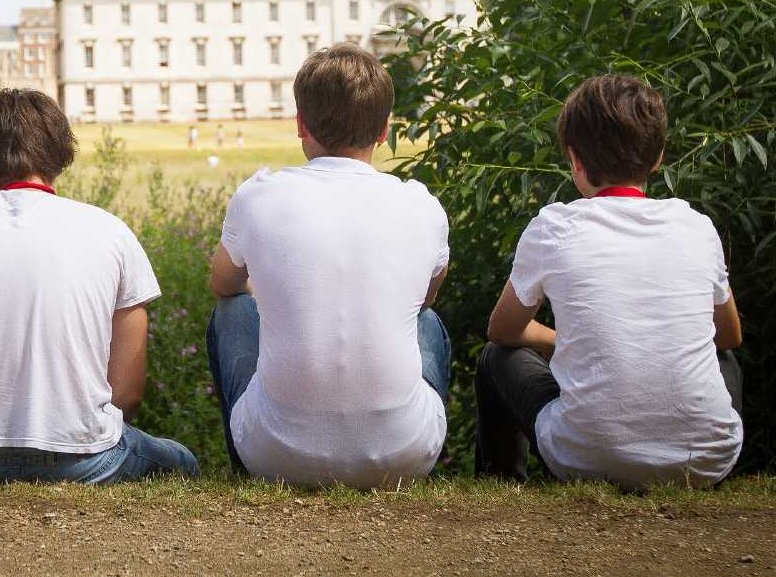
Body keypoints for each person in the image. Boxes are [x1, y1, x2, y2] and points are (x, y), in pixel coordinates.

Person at [0, 88, 199, 483]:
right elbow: (128, 390)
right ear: (59, 154)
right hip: (86, 462)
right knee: (181, 461)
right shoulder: (110, 229)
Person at [474, 73, 744, 489]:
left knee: (497, 357)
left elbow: (503, 331)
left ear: (574, 158)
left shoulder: (554, 227)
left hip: (587, 457)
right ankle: (710, 459)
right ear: (658, 158)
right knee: (723, 361)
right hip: (703, 464)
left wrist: (560, 342)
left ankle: (502, 480)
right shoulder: (696, 226)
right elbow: (728, 337)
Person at [204, 44, 451, 488]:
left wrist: (277, 288)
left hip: (277, 455)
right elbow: (424, 300)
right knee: (427, 320)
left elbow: (222, 284)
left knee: (232, 312)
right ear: (384, 131)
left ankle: (245, 462)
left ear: (300, 123)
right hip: (403, 455)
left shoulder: (259, 195)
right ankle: (415, 448)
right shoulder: (422, 205)